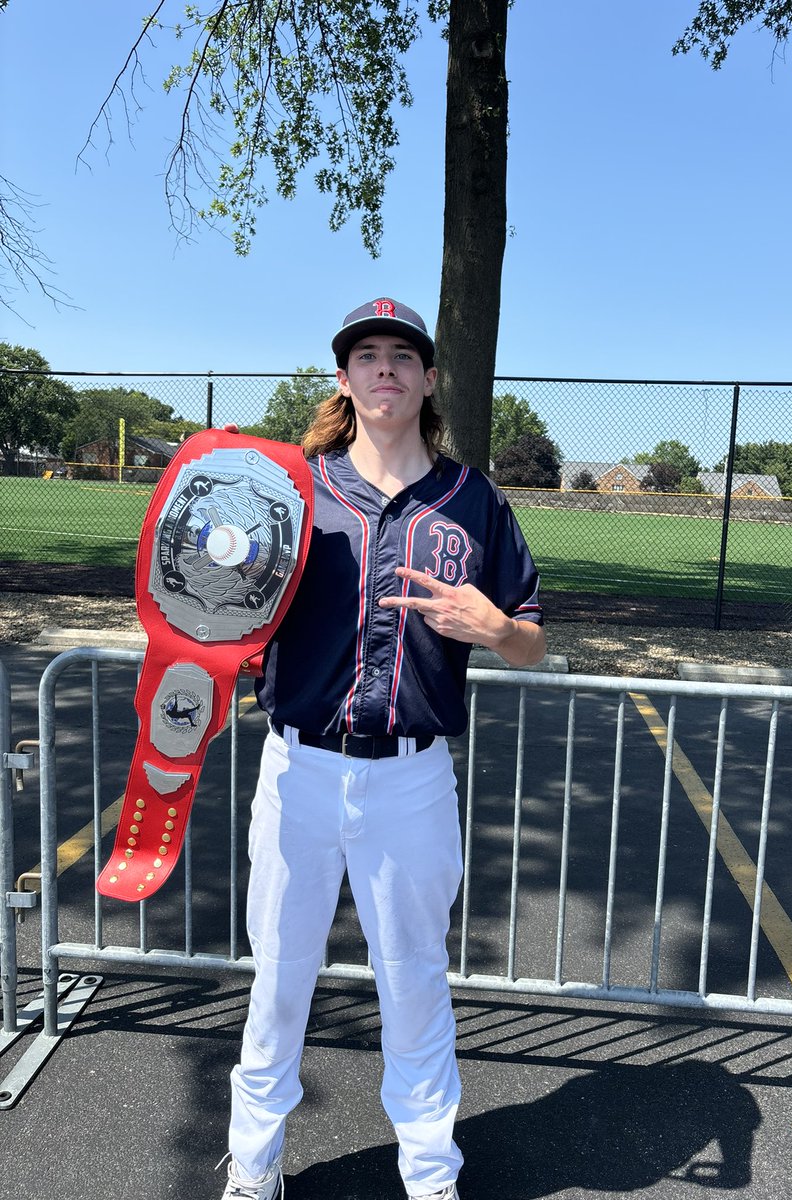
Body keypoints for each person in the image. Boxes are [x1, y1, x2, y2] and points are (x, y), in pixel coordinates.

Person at [220, 297, 546, 1200]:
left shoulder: (473, 499)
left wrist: (493, 630)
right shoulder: (293, 488)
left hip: (412, 781)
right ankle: (253, 1168)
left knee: (414, 986)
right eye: (366, 354)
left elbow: (531, 638)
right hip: (300, 768)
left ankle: (431, 1174)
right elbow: (225, 604)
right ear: (344, 378)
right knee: (280, 986)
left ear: (430, 377)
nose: (386, 368)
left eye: (404, 354)